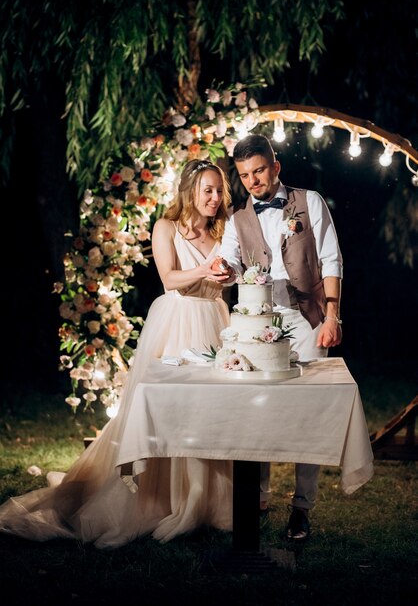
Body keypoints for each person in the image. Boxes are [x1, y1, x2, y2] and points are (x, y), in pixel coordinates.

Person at [0, 159, 235, 548]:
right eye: (207, 190)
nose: (214, 198)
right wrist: (206, 270)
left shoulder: (222, 232)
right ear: (190, 191)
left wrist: (229, 275)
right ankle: (163, 497)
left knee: (209, 409)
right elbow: (169, 279)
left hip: (215, 321)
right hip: (177, 323)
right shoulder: (166, 227)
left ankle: (206, 499)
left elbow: (229, 273)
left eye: (218, 191)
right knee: (170, 408)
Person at [220, 134, 343, 541]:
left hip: (307, 319)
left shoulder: (310, 203)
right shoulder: (238, 219)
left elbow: (330, 258)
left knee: (307, 413)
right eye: (244, 176)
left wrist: (331, 315)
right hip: (258, 323)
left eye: (258, 171)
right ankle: (258, 497)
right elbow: (230, 261)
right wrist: (223, 270)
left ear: (276, 166)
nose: (253, 181)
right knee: (259, 409)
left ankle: (302, 507)